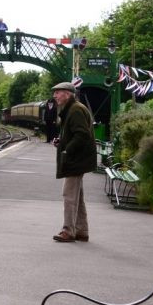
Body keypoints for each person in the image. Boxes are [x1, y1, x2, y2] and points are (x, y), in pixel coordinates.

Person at [51, 82, 96, 243]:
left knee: (69, 195)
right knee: (78, 196)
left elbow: (82, 135)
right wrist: (61, 141)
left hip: (76, 159)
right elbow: (75, 133)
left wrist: (67, 150)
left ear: (68, 94)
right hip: (79, 158)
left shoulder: (75, 109)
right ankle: (82, 231)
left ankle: (68, 230)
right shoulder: (73, 108)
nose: (54, 96)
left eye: (58, 92)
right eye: (54, 93)